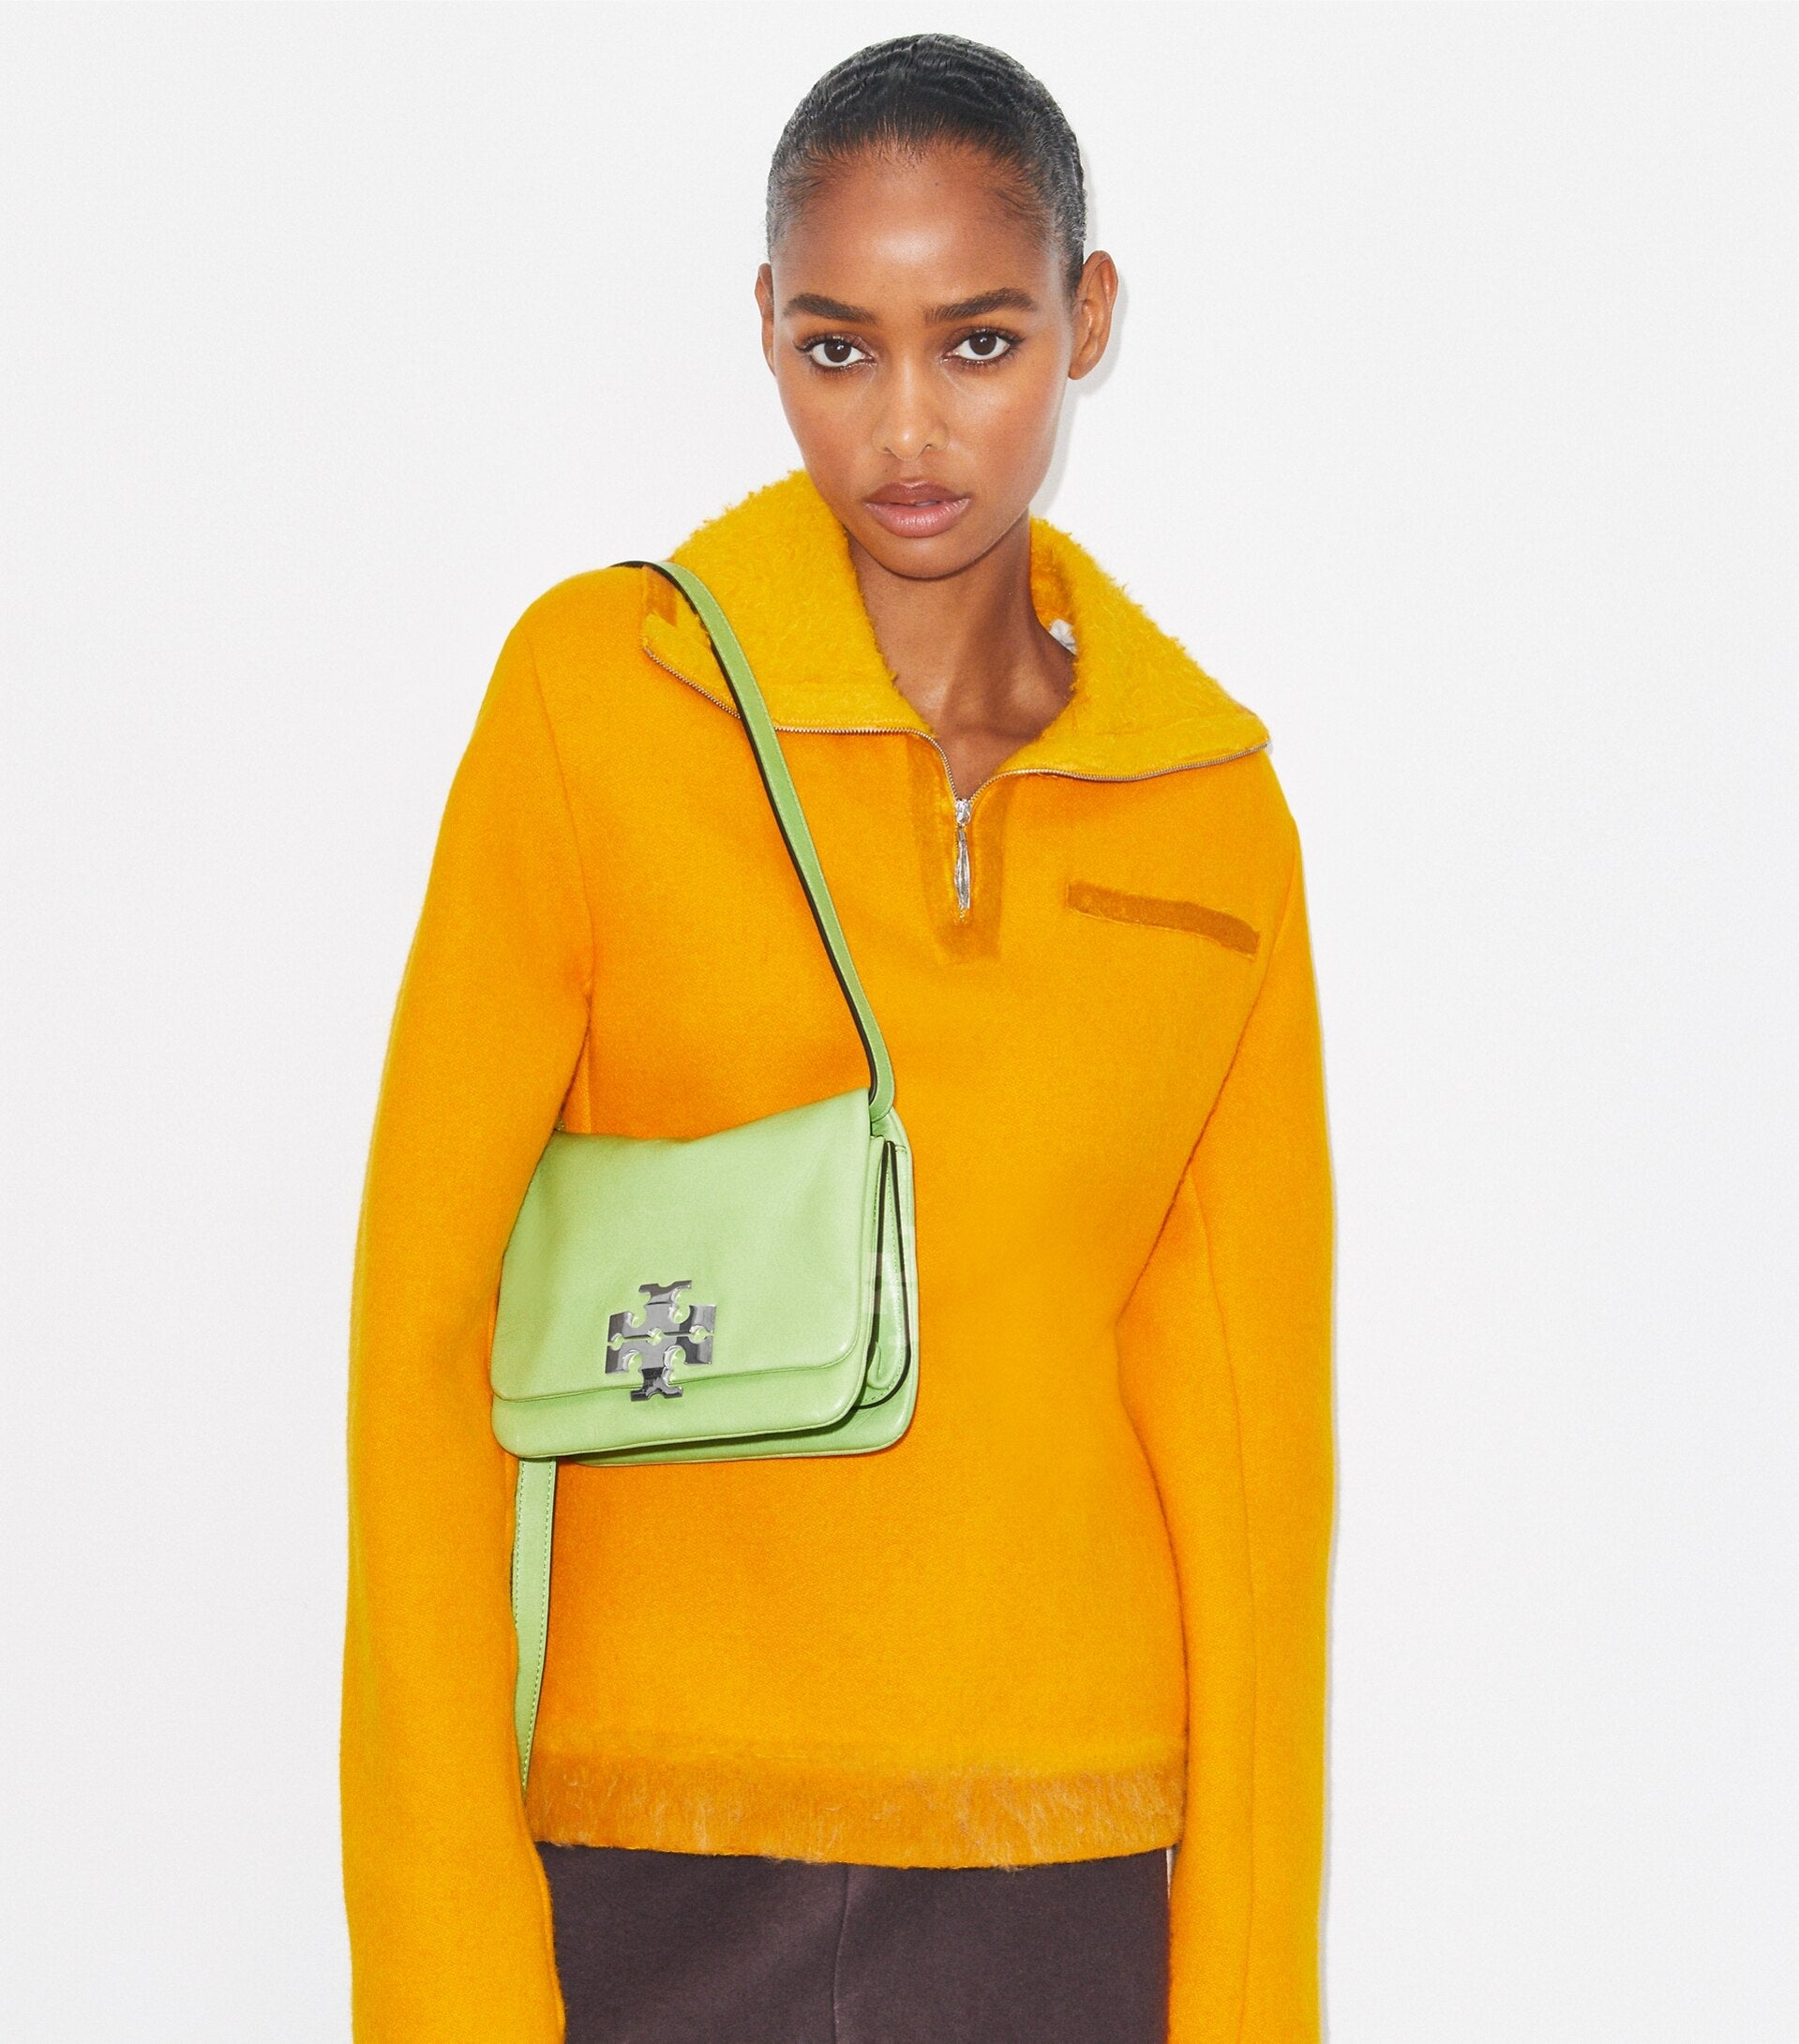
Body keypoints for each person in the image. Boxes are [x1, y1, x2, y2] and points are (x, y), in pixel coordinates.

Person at [340, 32, 1334, 2044]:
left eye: (979, 343)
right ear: (767, 331)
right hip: (650, 1851)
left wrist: (1245, 1997)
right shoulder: (599, 701)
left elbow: (1252, 1459)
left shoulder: (1207, 805)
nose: (907, 426)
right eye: (837, 348)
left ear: (1088, 319)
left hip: (1062, 1869)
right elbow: (423, 1346)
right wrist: (445, 1975)